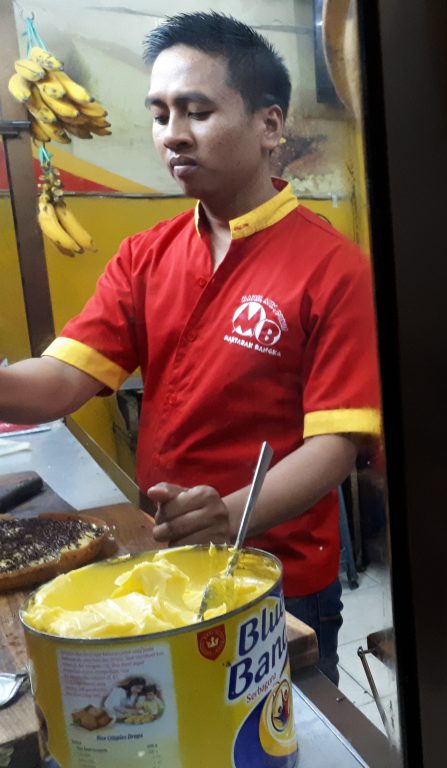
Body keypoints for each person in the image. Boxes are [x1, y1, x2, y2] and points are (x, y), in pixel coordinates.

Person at [0, 12, 381, 684]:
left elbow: (337, 447)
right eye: (160, 113)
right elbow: (61, 381)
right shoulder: (147, 256)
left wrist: (226, 513)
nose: (172, 134)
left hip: (278, 577)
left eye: (197, 111)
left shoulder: (333, 269)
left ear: (270, 126)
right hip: (170, 555)